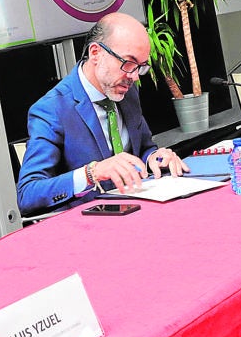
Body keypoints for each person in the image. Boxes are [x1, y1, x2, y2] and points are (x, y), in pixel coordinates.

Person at [16, 12, 189, 216]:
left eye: (140, 67)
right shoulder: (53, 109)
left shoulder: (126, 90)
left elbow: (143, 147)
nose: (133, 76)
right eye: (128, 63)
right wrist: (92, 173)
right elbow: (28, 194)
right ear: (96, 53)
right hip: (91, 226)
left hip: (140, 210)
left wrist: (155, 157)